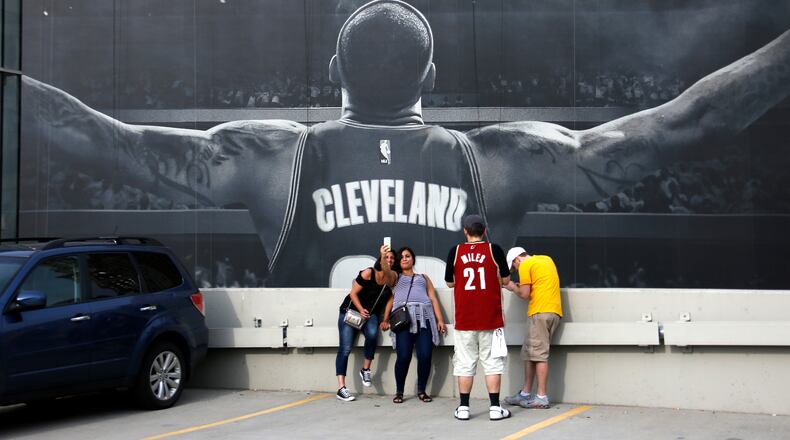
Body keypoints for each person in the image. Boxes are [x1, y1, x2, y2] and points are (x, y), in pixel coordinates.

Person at [22, 0, 790, 287]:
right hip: (453, 388)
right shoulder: (502, 159)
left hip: (315, 394)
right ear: (433, 72)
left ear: (333, 70)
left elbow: (104, 141)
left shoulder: (270, 158)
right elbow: (689, 125)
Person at [444, 214, 512, 421]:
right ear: (484, 230)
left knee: (465, 363)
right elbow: (506, 279)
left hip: (465, 318)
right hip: (490, 318)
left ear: (465, 231)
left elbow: (449, 283)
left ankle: (464, 408)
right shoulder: (494, 249)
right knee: (492, 363)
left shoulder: (455, 251)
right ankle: (494, 408)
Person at [380, 246, 446, 404]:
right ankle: (399, 391)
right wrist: (383, 258)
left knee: (425, 356)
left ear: (413, 259)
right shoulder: (396, 277)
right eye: (401, 256)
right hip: (404, 321)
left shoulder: (423, 277)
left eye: (407, 256)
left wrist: (440, 319)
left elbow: (433, 298)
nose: (404, 258)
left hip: (425, 319)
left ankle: (422, 391)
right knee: (404, 356)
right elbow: (386, 275)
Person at [503, 247, 562, 409]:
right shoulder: (545, 258)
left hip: (540, 312)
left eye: (514, 267)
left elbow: (524, 294)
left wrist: (513, 287)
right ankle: (525, 393)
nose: (515, 269)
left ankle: (541, 397)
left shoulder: (525, 265)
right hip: (553, 311)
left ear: (516, 260)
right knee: (530, 353)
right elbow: (540, 284)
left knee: (539, 355)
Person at [335, 245, 396, 401]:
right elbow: (353, 293)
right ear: (380, 258)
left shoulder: (392, 278)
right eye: (386, 257)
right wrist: (361, 309)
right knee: (345, 349)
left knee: (372, 334)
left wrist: (385, 319)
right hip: (351, 312)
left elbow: (390, 299)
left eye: (391, 258)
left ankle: (365, 369)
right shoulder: (368, 272)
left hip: (369, 314)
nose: (389, 260)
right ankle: (341, 388)